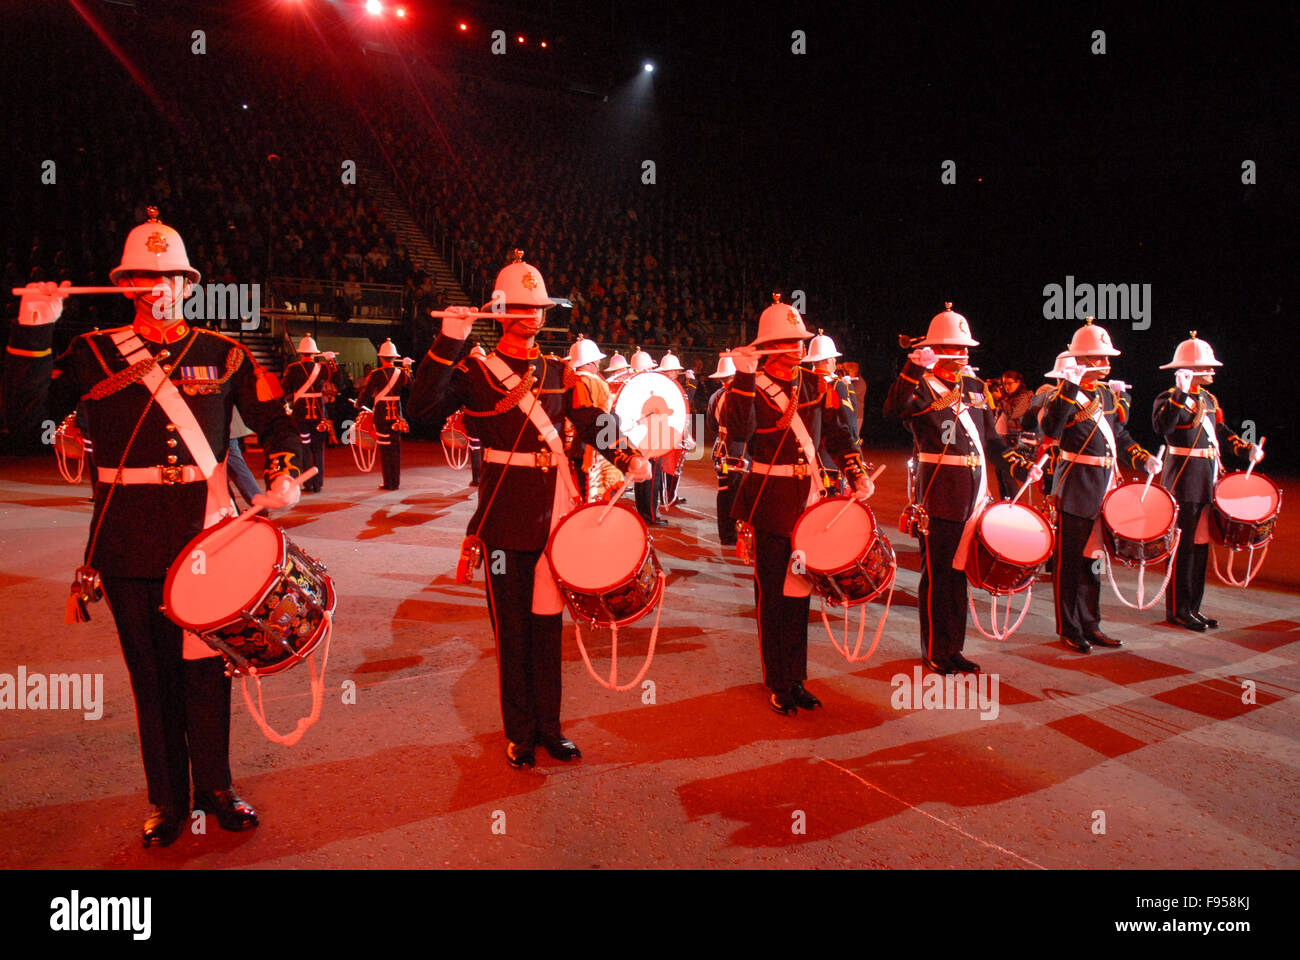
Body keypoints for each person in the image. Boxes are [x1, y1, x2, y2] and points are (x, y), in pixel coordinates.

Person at [4, 208, 303, 847]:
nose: (157, 287)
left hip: (208, 537)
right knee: (152, 674)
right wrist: (36, 329)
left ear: (189, 286)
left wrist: (286, 475)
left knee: (206, 667)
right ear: (122, 284)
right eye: (142, 276)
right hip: (128, 538)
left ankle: (216, 789)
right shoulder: (89, 353)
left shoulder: (225, 355)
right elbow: (21, 412)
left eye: (170, 277)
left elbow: (277, 422)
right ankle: (167, 800)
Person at [409, 251, 651, 768]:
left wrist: (629, 456)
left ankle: (550, 728)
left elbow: (592, 422)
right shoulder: (474, 370)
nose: (531, 315)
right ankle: (519, 731)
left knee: (547, 628)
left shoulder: (562, 373)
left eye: (537, 306)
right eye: (520, 306)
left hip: (557, 513)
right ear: (500, 313)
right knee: (513, 634)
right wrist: (448, 341)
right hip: (504, 518)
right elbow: (419, 411)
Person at [726, 294, 874, 715]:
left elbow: (839, 434)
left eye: (800, 340)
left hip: (809, 500)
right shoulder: (748, 386)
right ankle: (777, 680)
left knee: (800, 594)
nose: (798, 348)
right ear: (770, 345)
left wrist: (855, 471)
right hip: (768, 503)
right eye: (790, 341)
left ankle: (797, 677)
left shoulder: (815, 385)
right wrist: (742, 377)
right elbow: (739, 433)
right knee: (772, 596)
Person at [885, 303, 1040, 675]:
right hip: (939, 492)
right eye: (955, 348)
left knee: (960, 574)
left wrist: (1020, 464)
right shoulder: (919, 384)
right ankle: (936, 650)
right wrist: (912, 368)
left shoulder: (974, 386)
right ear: (934, 350)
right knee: (939, 575)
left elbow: (989, 438)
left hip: (973, 492)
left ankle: (954, 648)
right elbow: (893, 410)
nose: (963, 354)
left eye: (965, 348)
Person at [1041, 318, 1162, 652]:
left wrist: (1141, 457)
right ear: (1081, 360)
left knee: (1093, 560)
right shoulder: (1059, 395)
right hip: (1076, 486)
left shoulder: (1107, 395)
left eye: (1107, 358)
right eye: (1099, 358)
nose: (1107, 364)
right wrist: (1069, 386)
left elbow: (1119, 436)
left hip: (1104, 486)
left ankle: (1091, 624)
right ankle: (1069, 627)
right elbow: (1052, 428)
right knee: (1069, 564)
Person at [1152, 332, 1263, 630]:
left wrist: (1246, 448)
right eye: (1206, 367)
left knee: (1200, 546)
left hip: (1207, 480)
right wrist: (1180, 393)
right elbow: (1163, 426)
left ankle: (1193, 607)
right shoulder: (1169, 398)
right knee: (1183, 547)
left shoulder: (1209, 399)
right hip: (1184, 480)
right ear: (1189, 371)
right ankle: (1177, 609)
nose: (1213, 371)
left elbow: (1222, 434)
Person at [801, 331, 856, 495]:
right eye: (833, 359)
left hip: (804, 458)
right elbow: (848, 423)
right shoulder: (837, 385)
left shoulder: (801, 383)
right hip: (828, 459)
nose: (835, 362)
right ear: (826, 361)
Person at [356, 339, 412, 491]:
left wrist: (359, 403)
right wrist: (408, 367)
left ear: (381, 357)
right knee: (396, 449)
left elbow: (367, 392)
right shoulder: (401, 373)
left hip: (381, 414)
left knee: (385, 449)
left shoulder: (376, 374)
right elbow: (411, 385)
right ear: (394, 357)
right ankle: (396, 482)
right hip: (396, 415)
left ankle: (388, 482)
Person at [280, 337, 334, 493]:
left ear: (301, 352)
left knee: (304, 448)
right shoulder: (322, 367)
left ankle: (308, 483)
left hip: (301, 415)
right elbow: (338, 379)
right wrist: (332, 361)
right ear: (314, 353)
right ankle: (318, 483)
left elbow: (284, 388)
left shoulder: (293, 368)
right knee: (318, 449)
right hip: (318, 413)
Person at [626, 348, 668, 526]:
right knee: (652, 478)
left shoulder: (629, 385)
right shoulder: (648, 387)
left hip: (635, 437)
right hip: (650, 437)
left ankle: (642, 512)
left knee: (640, 476)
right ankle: (650, 514)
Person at [705, 352, 744, 546]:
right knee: (738, 493)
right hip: (737, 451)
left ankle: (726, 534)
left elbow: (711, 425)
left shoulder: (715, 396)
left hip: (720, 449)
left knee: (724, 491)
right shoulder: (739, 395)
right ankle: (737, 535)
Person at [656, 349, 694, 508]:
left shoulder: (671, 383)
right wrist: (692, 385)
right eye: (673, 370)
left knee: (673, 466)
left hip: (676, 430)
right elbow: (684, 402)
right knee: (669, 466)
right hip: (670, 431)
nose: (676, 373)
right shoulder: (667, 385)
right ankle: (667, 496)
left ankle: (670, 495)